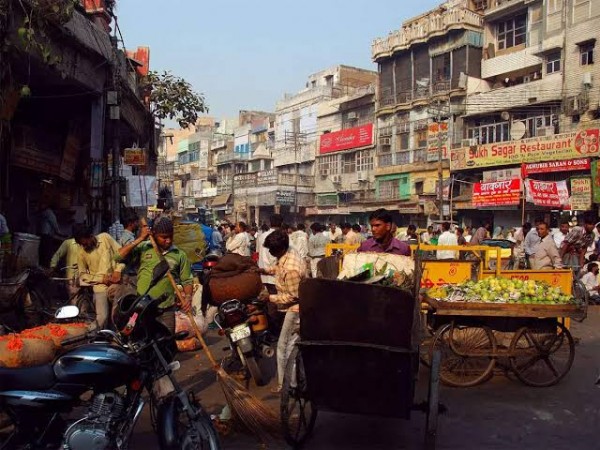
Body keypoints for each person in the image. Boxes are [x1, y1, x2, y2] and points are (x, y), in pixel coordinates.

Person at [115, 216, 193, 333]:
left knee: (166, 345)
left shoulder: (179, 254)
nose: (168, 240)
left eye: (170, 237)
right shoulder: (144, 248)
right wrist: (141, 238)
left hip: (167, 309)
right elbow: (118, 256)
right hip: (142, 307)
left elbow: (187, 280)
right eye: (164, 237)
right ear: (154, 234)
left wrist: (187, 297)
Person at [259, 229, 306, 393]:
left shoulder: (292, 269)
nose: (271, 253)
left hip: (295, 309)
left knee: (284, 347)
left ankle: (287, 385)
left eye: (272, 250)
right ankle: (291, 381)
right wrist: (264, 270)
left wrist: (270, 298)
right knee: (291, 346)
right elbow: (278, 267)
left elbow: (294, 297)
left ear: (281, 248)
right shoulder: (287, 254)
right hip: (291, 307)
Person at [74, 224, 125, 331]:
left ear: (91, 236)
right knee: (102, 318)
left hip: (117, 284)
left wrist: (118, 270)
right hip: (100, 287)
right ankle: (85, 335)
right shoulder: (81, 252)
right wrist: (102, 279)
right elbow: (83, 275)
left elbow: (122, 254)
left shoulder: (105, 238)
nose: (85, 246)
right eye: (82, 244)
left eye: (86, 243)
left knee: (120, 317)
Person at [257, 214, 283, 295]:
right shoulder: (282, 237)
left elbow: (258, 252)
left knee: (270, 298)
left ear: (269, 223)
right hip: (276, 274)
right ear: (282, 223)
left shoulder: (261, 236)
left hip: (263, 272)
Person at [38, 202, 67, 267]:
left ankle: (42, 266)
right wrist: (61, 234)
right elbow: (55, 225)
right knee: (47, 252)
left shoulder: (44, 212)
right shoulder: (50, 213)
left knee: (42, 252)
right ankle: (46, 267)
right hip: (47, 236)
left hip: (42, 235)